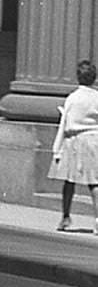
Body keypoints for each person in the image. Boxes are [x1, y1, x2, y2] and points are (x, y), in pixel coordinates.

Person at [50, 59, 98, 232]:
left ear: (78, 77)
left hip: (74, 140)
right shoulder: (97, 97)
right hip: (94, 140)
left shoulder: (73, 98)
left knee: (69, 181)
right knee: (94, 182)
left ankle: (65, 216)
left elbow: (65, 123)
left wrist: (57, 149)